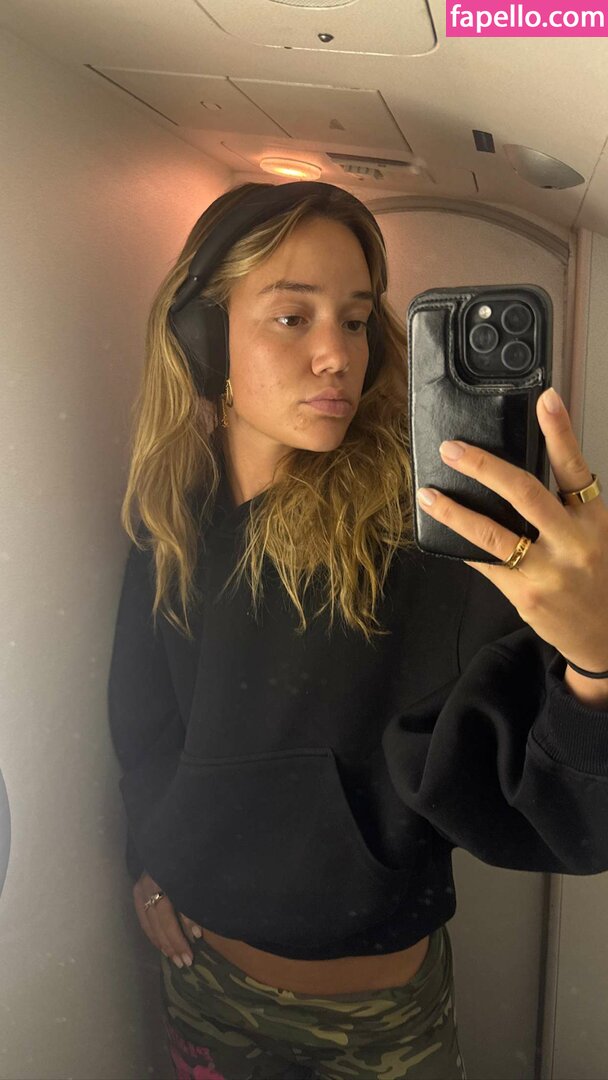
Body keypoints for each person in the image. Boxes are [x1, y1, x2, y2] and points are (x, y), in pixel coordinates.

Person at [107, 180, 608, 1080]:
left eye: (356, 319)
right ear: (204, 337)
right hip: (207, 985)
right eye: (292, 317)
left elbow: (567, 817)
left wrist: (598, 657)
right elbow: (145, 726)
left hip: (380, 1025)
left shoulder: (421, 540)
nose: (337, 354)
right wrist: (151, 859)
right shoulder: (171, 521)